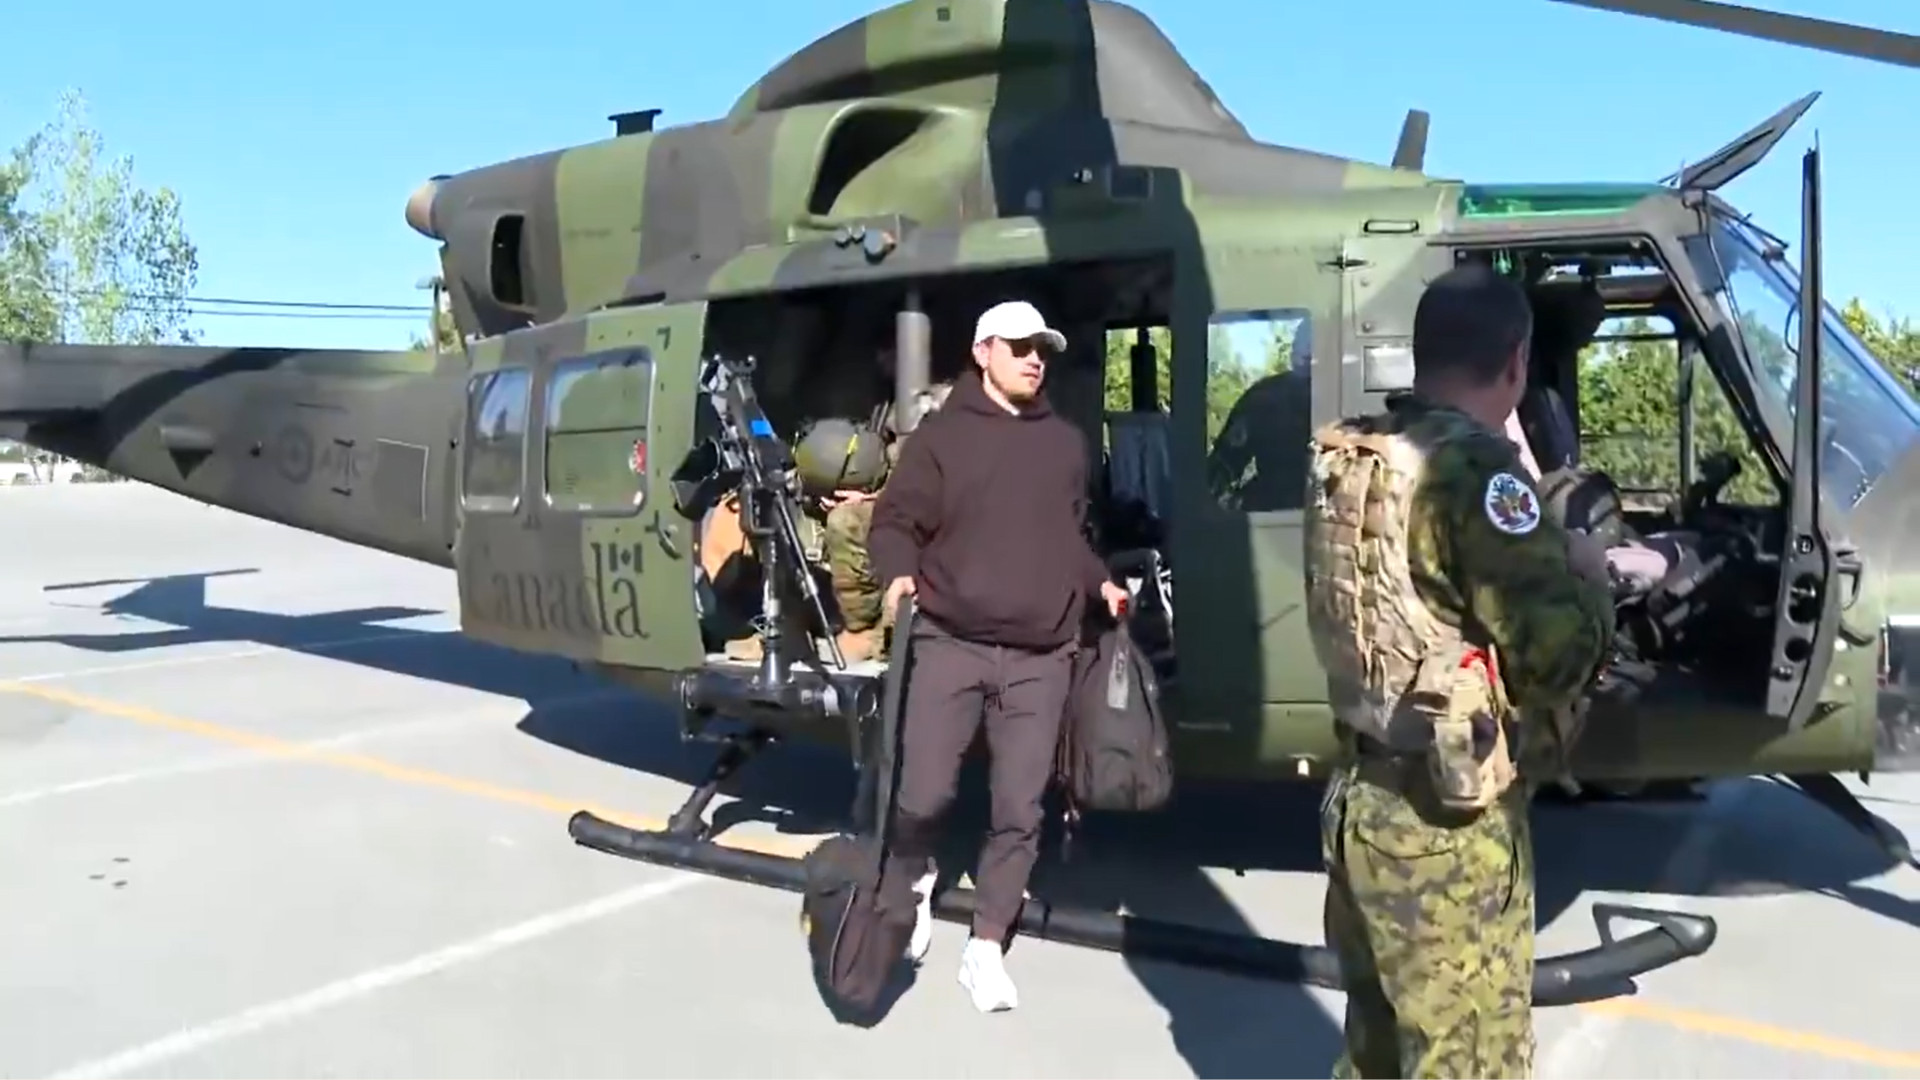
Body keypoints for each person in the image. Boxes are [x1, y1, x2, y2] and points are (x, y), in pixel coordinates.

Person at [1302, 263, 1615, 1078]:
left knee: (1375, 1052)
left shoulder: (1362, 458)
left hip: (1362, 801)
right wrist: (1587, 570)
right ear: (1517, 362)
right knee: (1470, 1060)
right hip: (1447, 829)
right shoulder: (1475, 475)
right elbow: (1555, 662)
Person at [867, 298, 1128, 1014]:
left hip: (1041, 656)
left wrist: (1097, 579)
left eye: (1042, 346)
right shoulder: (941, 440)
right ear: (983, 351)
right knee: (923, 793)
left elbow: (1066, 537)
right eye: (1019, 346)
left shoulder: (1066, 445)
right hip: (950, 641)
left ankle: (986, 944)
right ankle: (915, 881)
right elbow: (895, 523)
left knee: (1019, 809)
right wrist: (897, 574)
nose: (1035, 357)